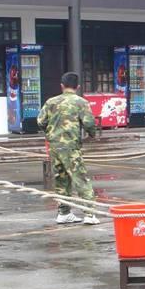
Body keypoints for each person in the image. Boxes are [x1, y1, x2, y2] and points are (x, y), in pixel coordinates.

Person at [38, 72, 99, 226]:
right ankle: (90, 214)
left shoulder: (51, 102)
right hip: (71, 146)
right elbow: (89, 123)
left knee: (61, 178)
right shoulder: (81, 102)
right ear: (78, 87)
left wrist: (51, 132)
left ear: (62, 86)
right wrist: (92, 134)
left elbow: (40, 121)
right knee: (80, 178)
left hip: (55, 146)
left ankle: (64, 212)